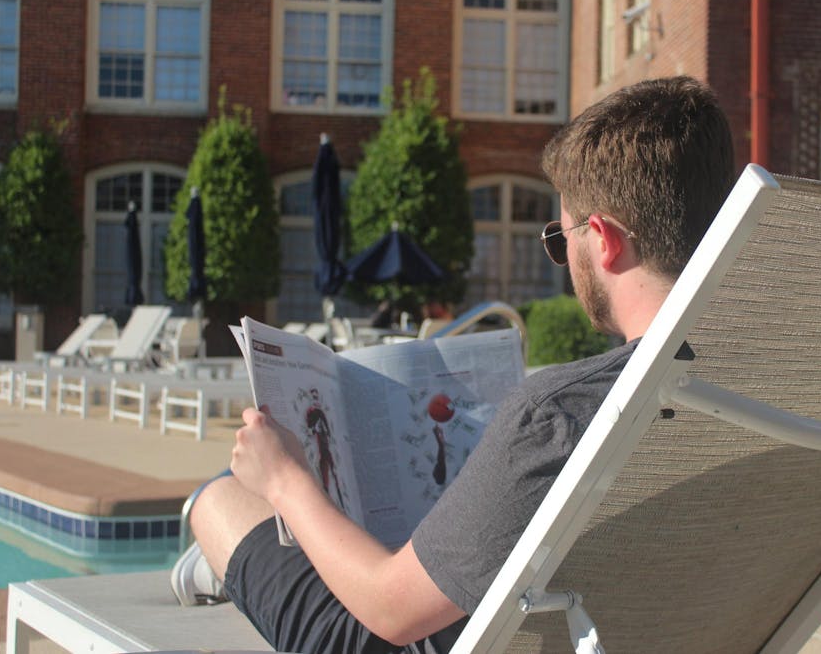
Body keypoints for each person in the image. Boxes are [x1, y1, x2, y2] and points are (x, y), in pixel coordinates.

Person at [171, 75, 735, 653]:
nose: (563, 258)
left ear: (604, 240)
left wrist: (285, 481)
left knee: (222, 497)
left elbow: (388, 612)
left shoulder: (558, 417)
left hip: (406, 633)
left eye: (559, 236)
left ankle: (222, 553)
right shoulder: (766, 386)